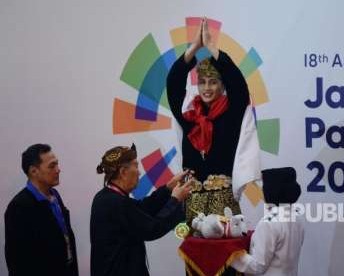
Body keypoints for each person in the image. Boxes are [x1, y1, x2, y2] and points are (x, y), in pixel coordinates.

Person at [167, 17, 250, 225]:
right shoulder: (189, 116)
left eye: (213, 82)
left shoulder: (231, 114)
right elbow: (173, 85)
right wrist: (194, 48)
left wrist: (212, 48)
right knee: (193, 254)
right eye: (202, 82)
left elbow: (239, 86)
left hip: (224, 203)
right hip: (193, 203)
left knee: (227, 257)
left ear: (222, 86)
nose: (206, 88)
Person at [90, 144, 193, 276]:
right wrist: (175, 201)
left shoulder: (105, 197)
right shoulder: (116, 203)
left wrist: (168, 188)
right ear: (123, 172)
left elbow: (142, 208)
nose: (139, 172)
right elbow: (151, 229)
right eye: (135, 166)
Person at [4, 144, 79, 276]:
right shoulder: (19, 207)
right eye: (52, 166)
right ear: (33, 171)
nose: (58, 170)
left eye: (57, 164)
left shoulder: (55, 195)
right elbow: (18, 262)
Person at [231, 167, 305, 276]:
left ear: (272, 190)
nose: (262, 190)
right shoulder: (298, 217)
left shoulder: (268, 223)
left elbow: (257, 267)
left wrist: (231, 254)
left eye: (265, 186)